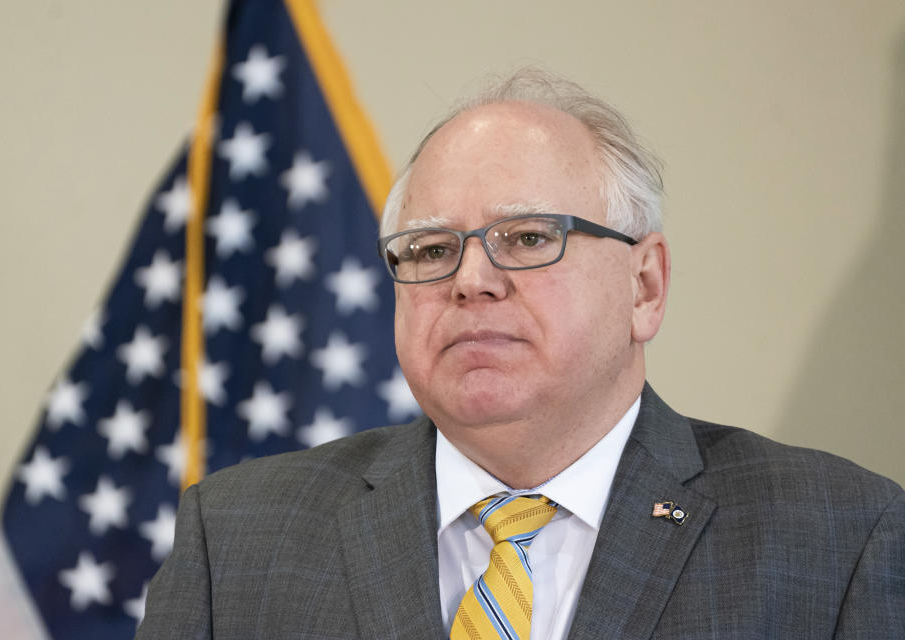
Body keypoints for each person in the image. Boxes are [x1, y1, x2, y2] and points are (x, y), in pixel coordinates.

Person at [136, 69, 904, 639]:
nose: (471, 281)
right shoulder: (236, 539)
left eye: (529, 237)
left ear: (644, 286)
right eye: (431, 248)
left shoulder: (838, 539)